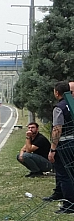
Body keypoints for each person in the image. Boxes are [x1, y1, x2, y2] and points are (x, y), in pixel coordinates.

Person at [48, 81, 74, 213]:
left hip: (64, 144)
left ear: (57, 92)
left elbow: (57, 129)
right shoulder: (72, 104)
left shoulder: (59, 107)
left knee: (64, 175)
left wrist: (53, 149)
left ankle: (69, 204)